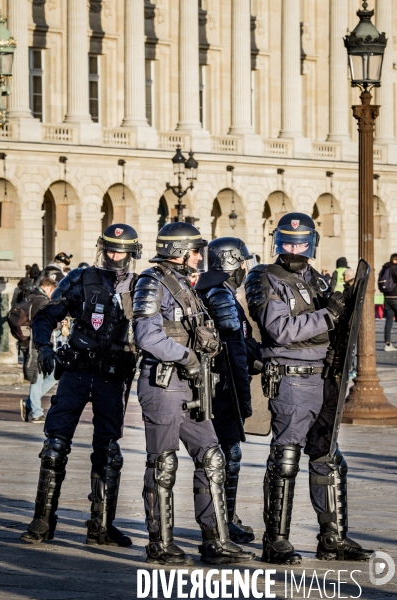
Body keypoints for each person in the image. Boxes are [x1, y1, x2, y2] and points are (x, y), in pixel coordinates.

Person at [245, 212, 372, 565]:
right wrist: (329, 315)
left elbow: (335, 327)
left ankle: (333, 539)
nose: (294, 249)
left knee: (327, 459)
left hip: (324, 377)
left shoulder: (317, 280)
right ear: (278, 243)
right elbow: (278, 328)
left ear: (312, 244)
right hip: (291, 376)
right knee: (286, 459)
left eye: (301, 243)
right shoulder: (264, 277)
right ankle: (277, 541)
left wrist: (343, 310)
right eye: (288, 242)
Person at [133, 221, 255, 565]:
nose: (200, 257)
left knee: (212, 456)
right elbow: (146, 336)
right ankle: (161, 543)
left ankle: (215, 540)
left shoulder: (187, 287)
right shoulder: (152, 283)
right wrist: (186, 356)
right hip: (164, 381)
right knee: (163, 463)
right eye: (196, 251)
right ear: (179, 252)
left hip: (192, 382)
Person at [20, 224, 141, 547]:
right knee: (54, 447)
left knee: (109, 451)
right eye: (111, 250)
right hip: (76, 371)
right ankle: (43, 521)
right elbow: (47, 316)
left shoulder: (140, 286)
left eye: (122, 252)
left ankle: (101, 525)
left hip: (112, 376)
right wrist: (44, 346)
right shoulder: (81, 278)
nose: (115, 257)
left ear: (131, 255)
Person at [195, 237, 257, 544]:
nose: (246, 268)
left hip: (216, 386)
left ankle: (226, 516)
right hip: (220, 388)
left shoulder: (215, 291)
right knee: (226, 454)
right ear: (232, 263)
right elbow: (234, 348)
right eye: (242, 262)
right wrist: (243, 396)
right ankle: (223, 520)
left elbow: (245, 342)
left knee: (223, 454)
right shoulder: (220, 294)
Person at [20, 277, 58, 423]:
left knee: (53, 374)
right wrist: (60, 324)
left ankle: (30, 403)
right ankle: (36, 412)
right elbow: (44, 322)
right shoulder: (41, 301)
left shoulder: (32, 297)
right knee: (38, 377)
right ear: (48, 287)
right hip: (37, 344)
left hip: (34, 343)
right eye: (53, 291)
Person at [380, 253, 397, 351]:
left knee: (389, 321)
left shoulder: (384, 269)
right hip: (396, 297)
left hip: (387, 298)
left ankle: (387, 344)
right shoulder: (394, 268)